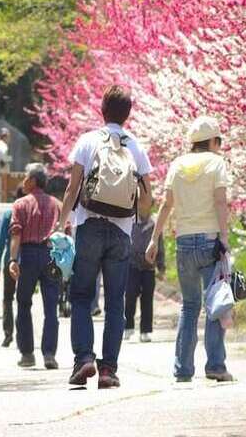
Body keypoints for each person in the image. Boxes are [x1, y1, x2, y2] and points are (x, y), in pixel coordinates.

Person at [58, 85, 152, 389]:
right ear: (128, 114)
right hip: (121, 231)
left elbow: (72, 188)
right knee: (115, 301)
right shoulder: (136, 146)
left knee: (82, 295)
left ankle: (84, 358)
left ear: (102, 109)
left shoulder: (88, 141)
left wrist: (63, 223)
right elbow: (147, 198)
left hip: (89, 225)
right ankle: (109, 369)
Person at [146, 115, 231, 383]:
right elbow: (220, 202)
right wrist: (225, 238)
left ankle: (183, 369)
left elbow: (166, 204)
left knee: (189, 306)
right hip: (209, 241)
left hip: (183, 242)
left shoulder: (177, 165)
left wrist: (153, 239)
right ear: (213, 141)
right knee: (215, 302)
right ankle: (216, 365)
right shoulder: (217, 163)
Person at [8, 164, 62, 369]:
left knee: (23, 303)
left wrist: (13, 260)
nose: (23, 180)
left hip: (29, 255)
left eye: (25, 176)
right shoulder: (57, 204)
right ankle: (49, 354)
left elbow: (16, 234)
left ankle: (28, 354)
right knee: (51, 307)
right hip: (51, 256)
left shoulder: (20, 204)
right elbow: (66, 235)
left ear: (32, 181)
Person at [124, 202, 165, 343]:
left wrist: (161, 267)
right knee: (129, 296)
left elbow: (160, 245)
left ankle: (145, 330)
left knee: (147, 299)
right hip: (132, 265)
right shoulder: (130, 221)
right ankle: (128, 327)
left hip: (149, 266)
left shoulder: (154, 224)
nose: (143, 206)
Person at [0, 187, 23, 347]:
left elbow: (0, 242)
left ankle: (8, 333)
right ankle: (22, 333)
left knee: (8, 298)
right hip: (27, 261)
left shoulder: (9, 213)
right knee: (24, 300)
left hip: (10, 262)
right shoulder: (31, 211)